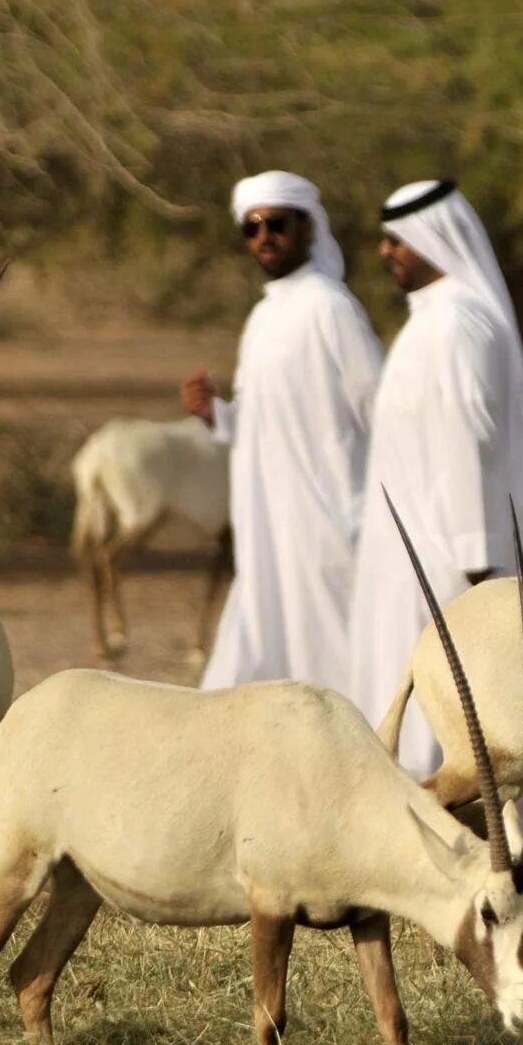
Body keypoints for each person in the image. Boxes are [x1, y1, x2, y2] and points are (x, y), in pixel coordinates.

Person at [348, 178, 523, 847]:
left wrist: (477, 560)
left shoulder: (456, 324)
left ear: (435, 237)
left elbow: (464, 445)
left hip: (447, 552)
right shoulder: (434, 320)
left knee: (455, 689)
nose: (385, 251)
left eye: (398, 238)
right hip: (412, 548)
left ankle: (465, 812)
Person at [181, 171, 381, 693]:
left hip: (329, 517)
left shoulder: (331, 307)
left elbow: (380, 406)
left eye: (276, 223)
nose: (264, 236)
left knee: (335, 653)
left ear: (309, 227)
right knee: (260, 644)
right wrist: (216, 414)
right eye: (251, 227)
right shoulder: (264, 316)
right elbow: (261, 419)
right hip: (268, 520)